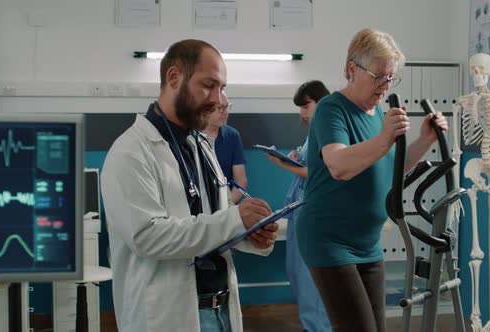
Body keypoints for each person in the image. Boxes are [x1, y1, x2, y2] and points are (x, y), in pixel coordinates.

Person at [100, 39, 279, 332]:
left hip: (221, 310)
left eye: (222, 88)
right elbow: (148, 237)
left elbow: (213, 221)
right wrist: (235, 219)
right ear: (174, 78)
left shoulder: (201, 146)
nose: (218, 99)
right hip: (168, 316)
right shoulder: (130, 152)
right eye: (209, 85)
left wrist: (250, 234)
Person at [295, 29, 449, 332]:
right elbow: (339, 165)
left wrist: (423, 141)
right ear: (352, 69)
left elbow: (392, 167)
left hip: (367, 243)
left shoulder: (378, 114)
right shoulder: (331, 109)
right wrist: (384, 138)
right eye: (379, 76)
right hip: (329, 241)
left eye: (391, 78)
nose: (385, 86)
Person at [265, 80, 332, 332]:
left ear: (321, 101)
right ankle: (312, 325)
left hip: (313, 211)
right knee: (297, 272)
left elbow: (317, 173)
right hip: (300, 209)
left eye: (306, 106)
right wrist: (293, 156)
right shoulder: (313, 132)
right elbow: (308, 161)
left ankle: (318, 328)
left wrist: (280, 163)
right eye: (300, 108)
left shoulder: (328, 130)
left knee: (309, 277)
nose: (302, 112)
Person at [203, 93, 248, 204]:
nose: (226, 113)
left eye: (227, 107)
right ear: (205, 109)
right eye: (220, 108)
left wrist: (225, 208)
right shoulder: (189, 136)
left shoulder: (232, 136)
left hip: (226, 202)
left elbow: (241, 181)